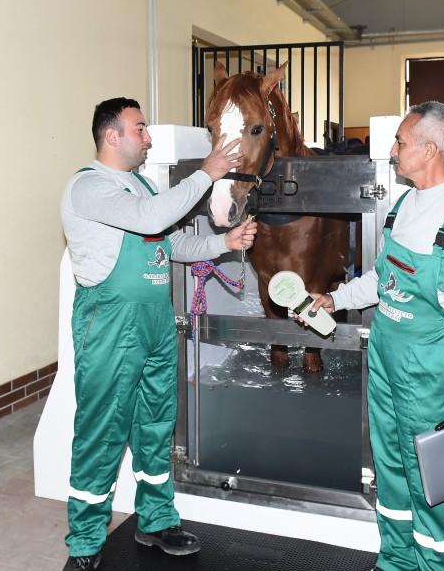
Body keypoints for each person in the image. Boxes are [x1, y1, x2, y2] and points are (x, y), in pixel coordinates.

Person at [59, 97, 257, 571]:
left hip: (155, 323)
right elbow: (150, 218)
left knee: (156, 427)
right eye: (140, 128)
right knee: (102, 430)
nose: (147, 137)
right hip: (110, 323)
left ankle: (156, 519)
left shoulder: (141, 184)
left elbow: (169, 242)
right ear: (112, 136)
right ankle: (85, 542)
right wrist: (206, 173)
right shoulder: (88, 187)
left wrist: (223, 242)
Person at [308, 101, 444, 571]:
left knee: (435, 480)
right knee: (392, 469)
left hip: (433, 369)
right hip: (386, 359)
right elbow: (383, 279)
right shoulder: (404, 205)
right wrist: (335, 299)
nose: (393, 150)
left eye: (400, 142)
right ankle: (396, 561)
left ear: (430, 150)